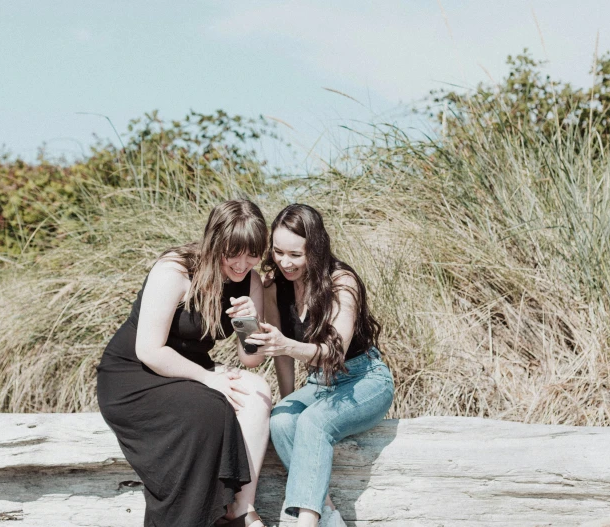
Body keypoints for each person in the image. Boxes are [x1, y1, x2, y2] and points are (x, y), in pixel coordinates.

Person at [97, 199, 271, 527]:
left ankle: (241, 509)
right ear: (214, 242)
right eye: (233, 252)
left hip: (189, 368)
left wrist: (249, 326)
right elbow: (149, 350)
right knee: (209, 409)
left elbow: (252, 360)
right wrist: (209, 380)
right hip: (134, 374)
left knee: (258, 393)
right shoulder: (175, 271)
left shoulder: (251, 281)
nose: (241, 264)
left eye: (252, 254)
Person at [246, 204, 394, 527]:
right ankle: (326, 514)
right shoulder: (275, 287)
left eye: (295, 255)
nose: (285, 262)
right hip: (320, 384)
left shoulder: (342, 283)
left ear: (315, 248)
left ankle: (302, 522)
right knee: (282, 421)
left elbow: (333, 352)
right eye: (278, 251)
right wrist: (288, 402)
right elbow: (282, 354)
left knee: (313, 422)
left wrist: (286, 344)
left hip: (364, 378)